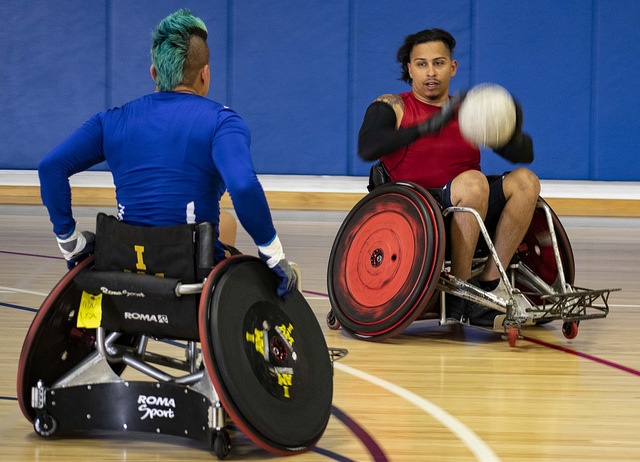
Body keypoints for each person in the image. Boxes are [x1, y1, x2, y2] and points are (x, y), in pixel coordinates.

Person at [38, 9, 297, 298]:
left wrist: (70, 242)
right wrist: (273, 254)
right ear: (205, 74)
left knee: (223, 221)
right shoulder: (222, 122)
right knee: (225, 225)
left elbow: (50, 168)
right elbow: (243, 185)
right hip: (192, 271)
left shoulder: (110, 121)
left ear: (154, 73)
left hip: (125, 267)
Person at [358, 28, 540, 328]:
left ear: (452, 67)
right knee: (473, 183)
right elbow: (368, 146)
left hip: (471, 201)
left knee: (526, 181)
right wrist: (426, 127)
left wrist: (509, 124)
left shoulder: (470, 112)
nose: (431, 72)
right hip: (418, 209)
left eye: (439, 63)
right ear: (410, 69)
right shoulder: (394, 105)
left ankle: (490, 282)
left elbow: (525, 154)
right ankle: (460, 289)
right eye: (422, 64)